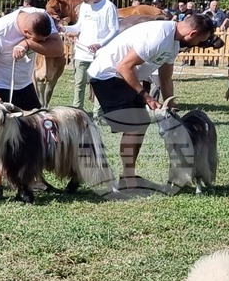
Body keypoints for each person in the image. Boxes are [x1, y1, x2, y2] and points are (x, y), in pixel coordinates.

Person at [87, 14, 214, 187]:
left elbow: (165, 78)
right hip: (107, 75)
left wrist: (171, 107)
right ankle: (128, 178)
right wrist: (146, 96)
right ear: (192, 34)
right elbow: (123, 67)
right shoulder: (158, 36)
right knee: (134, 124)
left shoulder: (174, 43)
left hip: (121, 76)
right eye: (200, 40)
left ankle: (128, 176)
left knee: (141, 122)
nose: (198, 44)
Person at [0, 6, 63, 200]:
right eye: (38, 40)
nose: (42, 43)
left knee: (35, 131)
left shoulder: (41, 17)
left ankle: (31, 180)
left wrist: (28, 44)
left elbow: (58, 49)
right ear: (26, 31)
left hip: (24, 84)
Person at [61, 0, 119, 115]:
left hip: (100, 54)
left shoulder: (109, 7)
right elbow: (78, 27)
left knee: (99, 85)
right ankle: (77, 112)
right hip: (82, 53)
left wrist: (100, 44)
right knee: (79, 83)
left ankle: (98, 114)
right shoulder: (84, 6)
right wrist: (65, 28)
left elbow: (114, 30)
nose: (84, 2)